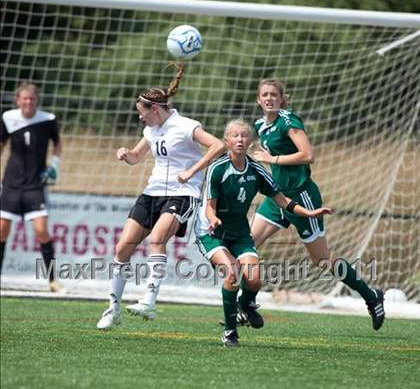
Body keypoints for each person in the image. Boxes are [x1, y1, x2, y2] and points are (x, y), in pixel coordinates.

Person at [249, 78, 385, 330]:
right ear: (258, 100)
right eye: (264, 95)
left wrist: (271, 159)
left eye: (273, 95)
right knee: (246, 245)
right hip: (276, 197)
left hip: (302, 196)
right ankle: (246, 306)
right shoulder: (260, 125)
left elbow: (308, 155)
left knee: (322, 260)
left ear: (281, 99)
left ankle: (370, 295)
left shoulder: (289, 121)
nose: (269, 98)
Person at [97, 63, 225, 330]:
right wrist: (125, 155)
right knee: (122, 248)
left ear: (154, 109)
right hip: (152, 192)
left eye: (141, 113)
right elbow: (136, 156)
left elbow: (218, 145)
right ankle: (113, 309)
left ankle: (149, 301)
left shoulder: (186, 125)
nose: (140, 118)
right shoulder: (150, 130)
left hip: (183, 193)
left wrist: (192, 171)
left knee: (157, 239)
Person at [195, 120, 332, 347]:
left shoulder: (257, 169)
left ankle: (247, 306)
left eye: (244, 136)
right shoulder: (217, 168)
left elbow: (282, 200)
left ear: (250, 141)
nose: (240, 140)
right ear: (227, 141)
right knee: (232, 274)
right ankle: (230, 332)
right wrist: (213, 219)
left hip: (239, 232)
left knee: (254, 280)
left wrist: (309, 212)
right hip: (211, 231)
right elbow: (209, 206)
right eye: (234, 136)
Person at [0, 82, 62, 291]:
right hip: (11, 184)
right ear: (18, 100)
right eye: (24, 99)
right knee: (1, 231)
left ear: (37, 101)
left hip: (36, 185)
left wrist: (55, 165)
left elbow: (58, 144)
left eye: (32, 99)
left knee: (41, 230)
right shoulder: (8, 118)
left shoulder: (48, 120)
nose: (28, 102)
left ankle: (53, 280)